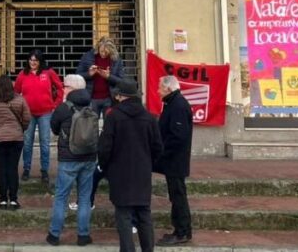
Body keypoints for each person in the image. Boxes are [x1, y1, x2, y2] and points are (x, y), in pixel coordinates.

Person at [98, 79, 163, 252]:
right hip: (142, 172)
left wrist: (105, 167)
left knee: (123, 215)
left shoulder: (113, 116)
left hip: (119, 173)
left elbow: (104, 147)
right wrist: (148, 163)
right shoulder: (149, 118)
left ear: (120, 96)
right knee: (144, 214)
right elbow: (158, 147)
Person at [46, 74, 97, 247]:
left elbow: (53, 127)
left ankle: (54, 234)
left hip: (68, 159)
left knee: (61, 197)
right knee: (84, 198)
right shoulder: (92, 106)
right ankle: (83, 235)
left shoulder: (63, 108)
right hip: (89, 157)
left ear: (73, 89)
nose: (63, 89)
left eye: (65, 86)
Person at [153, 75, 193, 247]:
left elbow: (178, 137)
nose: (157, 91)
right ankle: (179, 230)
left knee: (178, 196)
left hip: (175, 161)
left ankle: (182, 231)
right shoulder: (173, 103)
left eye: (160, 88)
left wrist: (161, 152)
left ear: (168, 89)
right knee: (175, 196)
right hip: (172, 161)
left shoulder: (177, 105)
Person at [14, 49, 63, 184]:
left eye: (35, 60)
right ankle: (26, 169)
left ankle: (44, 171)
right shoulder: (23, 74)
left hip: (45, 113)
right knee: (27, 143)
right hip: (28, 113)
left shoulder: (48, 73)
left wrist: (55, 104)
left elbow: (60, 88)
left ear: (40, 61)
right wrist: (19, 107)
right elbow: (16, 92)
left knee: (45, 143)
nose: (32, 62)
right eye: (30, 60)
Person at [0, 74, 32, 210]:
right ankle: (14, 199)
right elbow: (27, 117)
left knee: (2, 169)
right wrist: (21, 128)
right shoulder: (20, 99)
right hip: (16, 138)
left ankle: (3, 199)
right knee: (13, 168)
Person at [75, 37, 125, 117]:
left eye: (106, 52)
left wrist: (109, 77)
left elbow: (121, 81)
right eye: (102, 51)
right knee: (91, 125)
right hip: (91, 98)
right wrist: (89, 74)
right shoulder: (88, 57)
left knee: (109, 125)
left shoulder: (116, 60)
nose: (103, 54)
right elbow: (77, 76)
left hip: (110, 98)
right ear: (98, 47)